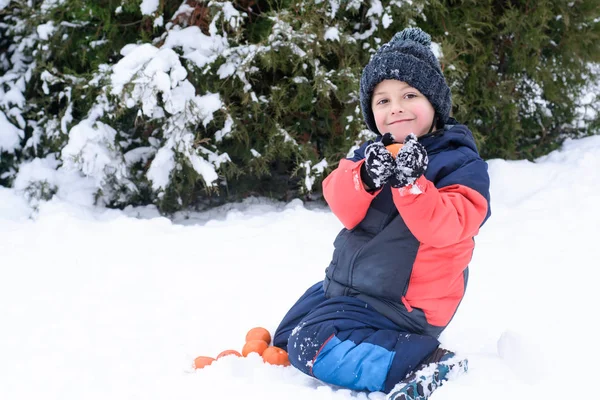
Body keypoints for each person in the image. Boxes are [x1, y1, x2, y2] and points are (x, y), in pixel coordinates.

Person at [273, 27, 491, 400]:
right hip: (352, 288)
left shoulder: (459, 163)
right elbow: (339, 201)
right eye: (383, 100)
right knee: (287, 334)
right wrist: (366, 177)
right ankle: (347, 344)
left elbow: (449, 226)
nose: (396, 108)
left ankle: (423, 360)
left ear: (434, 103)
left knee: (310, 342)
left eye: (410, 95)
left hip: (403, 305)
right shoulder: (371, 154)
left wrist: (411, 184)